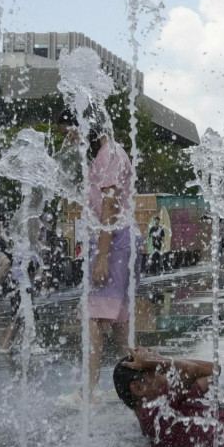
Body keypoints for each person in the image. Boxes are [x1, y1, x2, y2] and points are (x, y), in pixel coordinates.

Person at [59, 107, 140, 403]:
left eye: (71, 133)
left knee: (93, 316)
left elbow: (109, 207)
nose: (70, 141)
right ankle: (142, 385)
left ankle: (89, 391)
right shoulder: (105, 155)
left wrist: (102, 256)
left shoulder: (110, 154)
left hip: (115, 243)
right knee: (120, 324)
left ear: (87, 127)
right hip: (115, 241)